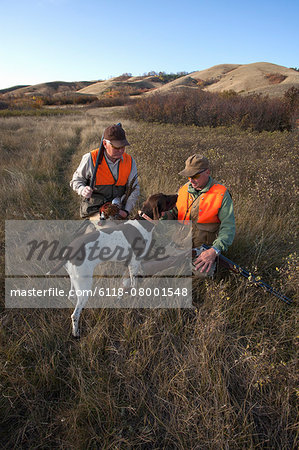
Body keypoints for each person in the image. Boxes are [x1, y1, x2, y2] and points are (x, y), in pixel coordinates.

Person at [163, 154, 235, 275]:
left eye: (195, 176)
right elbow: (175, 212)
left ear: (207, 172)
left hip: (203, 250)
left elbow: (228, 228)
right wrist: (161, 218)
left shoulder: (221, 194)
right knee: (158, 263)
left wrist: (214, 250)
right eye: (188, 176)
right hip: (179, 243)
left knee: (201, 273)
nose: (191, 180)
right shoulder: (184, 189)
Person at [70, 124, 139, 219]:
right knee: (107, 228)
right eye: (116, 147)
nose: (121, 150)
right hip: (94, 208)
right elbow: (76, 181)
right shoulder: (90, 158)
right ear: (105, 144)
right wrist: (82, 189)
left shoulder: (130, 162)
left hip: (118, 209)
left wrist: (126, 211)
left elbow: (134, 189)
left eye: (123, 146)